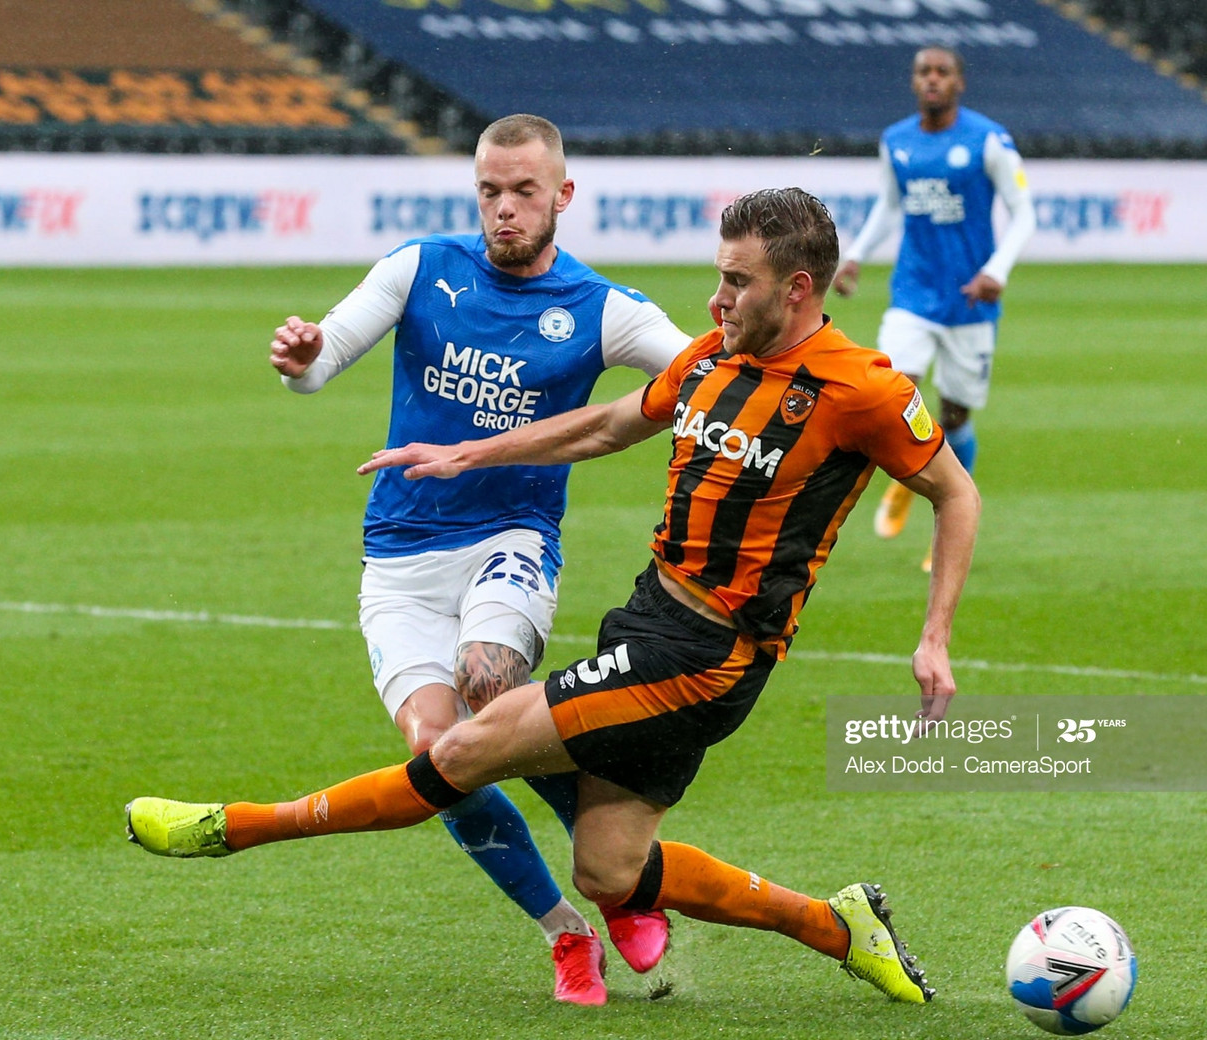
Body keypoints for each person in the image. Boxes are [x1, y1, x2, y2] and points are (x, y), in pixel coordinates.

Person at [127, 187, 981, 1010]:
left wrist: (934, 636)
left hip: (707, 656)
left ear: (798, 288)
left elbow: (956, 493)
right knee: (609, 870)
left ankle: (232, 828)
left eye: (736, 280)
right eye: (719, 274)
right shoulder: (715, 355)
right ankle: (839, 927)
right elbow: (610, 423)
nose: (716, 297)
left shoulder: (862, 389)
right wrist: (469, 454)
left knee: (463, 751)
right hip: (650, 613)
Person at [265, 113, 691, 1004]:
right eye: (490, 191)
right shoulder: (419, 267)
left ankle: (618, 883)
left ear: (562, 197)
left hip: (512, 543)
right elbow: (319, 362)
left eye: (523, 193)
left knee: (492, 683)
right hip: (400, 558)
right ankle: (567, 931)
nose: (504, 209)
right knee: (439, 759)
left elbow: (703, 378)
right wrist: (301, 359)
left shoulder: (601, 309)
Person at [832, 44, 1033, 571]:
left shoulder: (988, 140)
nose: (933, 80)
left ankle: (946, 512)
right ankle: (906, 484)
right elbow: (890, 205)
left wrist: (997, 270)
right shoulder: (896, 141)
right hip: (914, 294)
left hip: (969, 300)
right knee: (898, 386)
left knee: (956, 415)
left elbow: (1024, 213)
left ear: (960, 82)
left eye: (943, 72)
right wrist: (854, 255)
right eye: (924, 71)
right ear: (914, 80)